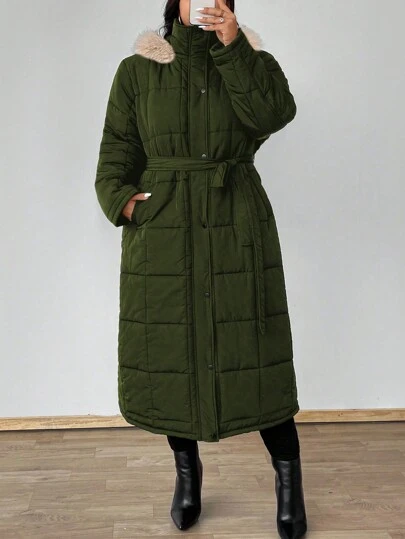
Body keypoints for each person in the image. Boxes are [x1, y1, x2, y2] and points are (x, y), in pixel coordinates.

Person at [94, 0, 307, 536]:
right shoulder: (137, 70)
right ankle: (187, 476)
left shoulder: (251, 60)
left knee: (258, 358)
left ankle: (289, 482)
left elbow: (273, 114)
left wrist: (234, 48)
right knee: (175, 353)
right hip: (165, 234)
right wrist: (124, 203)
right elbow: (117, 149)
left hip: (237, 226)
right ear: (176, 3)